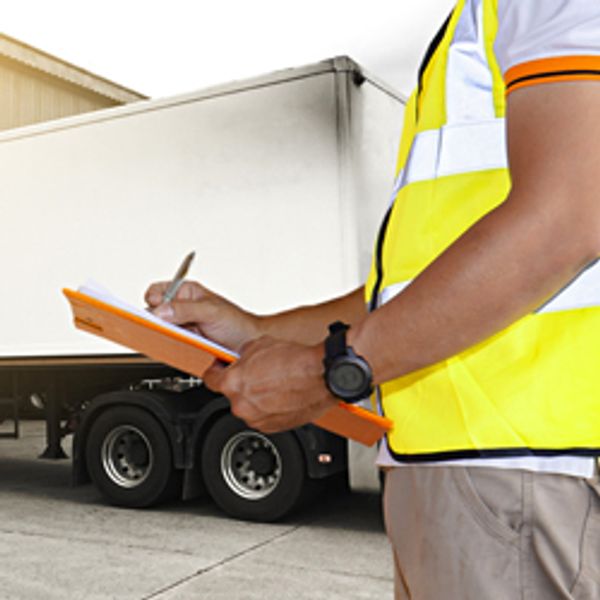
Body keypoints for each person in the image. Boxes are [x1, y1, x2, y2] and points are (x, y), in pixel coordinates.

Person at [146, 1, 600, 598]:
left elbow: (565, 219)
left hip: (517, 467)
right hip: (475, 471)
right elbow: (406, 294)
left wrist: (330, 371)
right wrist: (254, 329)